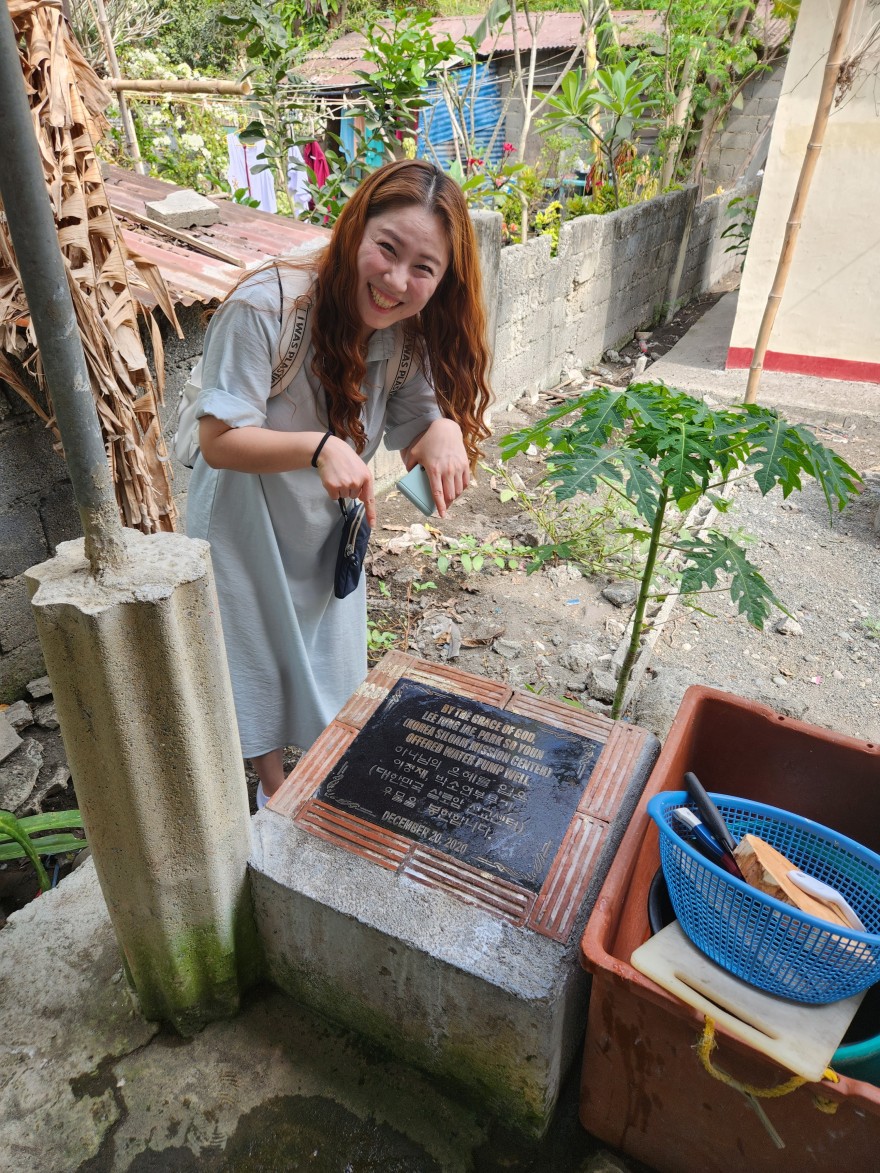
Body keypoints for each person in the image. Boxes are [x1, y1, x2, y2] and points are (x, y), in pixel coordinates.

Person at [186, 159, 492, 809]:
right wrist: (316, 446)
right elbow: (218, 441)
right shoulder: (266, 304)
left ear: (443, 280)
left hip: (327, 524)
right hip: (246, 517)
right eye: (386, 248)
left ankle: (312, 783)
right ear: (356, 228)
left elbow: (415, 430)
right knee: (252, 655)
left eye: (423, 268)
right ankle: (275, 791)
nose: (396, 280)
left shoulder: (408, 332)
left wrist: (439, 432)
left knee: (327, 657)